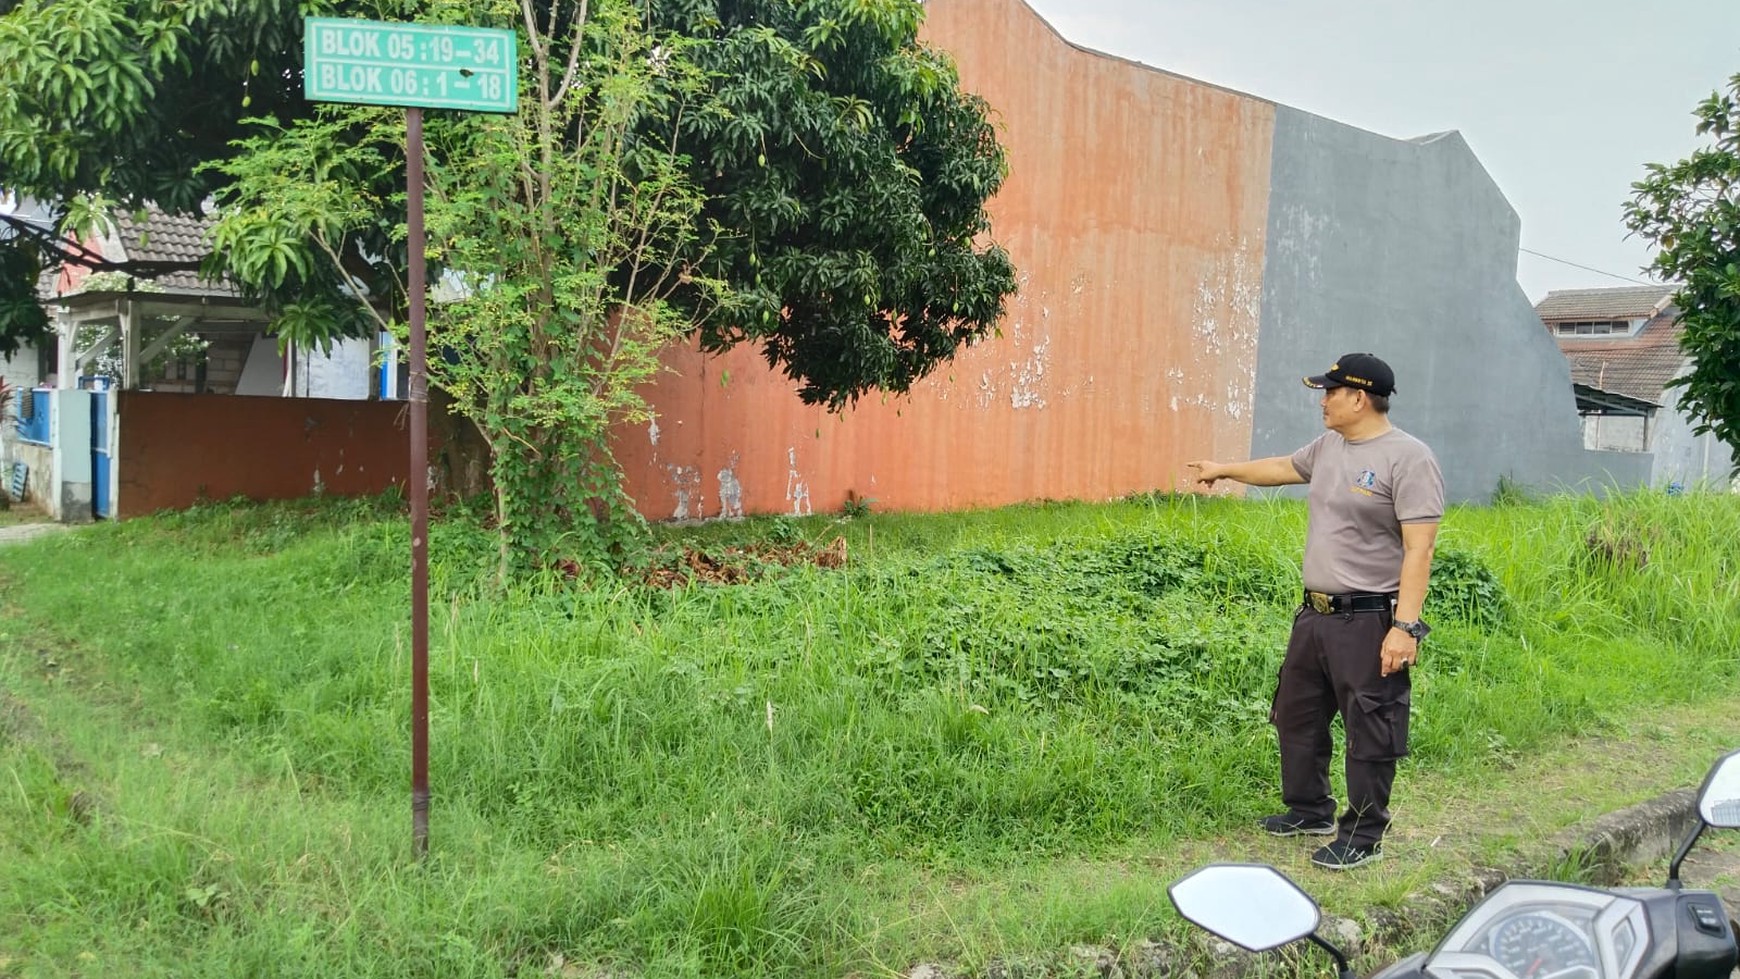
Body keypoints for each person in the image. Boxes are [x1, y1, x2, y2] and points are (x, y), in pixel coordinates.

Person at [1186, 353, 1443, 870]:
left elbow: (1421, 550)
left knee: (1370, 725)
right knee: (1296, 714)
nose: (1322, 400)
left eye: (1330, 392)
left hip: (1370, 617)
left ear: (1359, 397)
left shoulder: (1408, 458)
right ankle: (1309, 810)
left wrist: (1404, 628)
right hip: (1316, 615)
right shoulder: (1330, 447)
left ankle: (1364, 834)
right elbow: (1283, 468)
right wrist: (1224, 469)